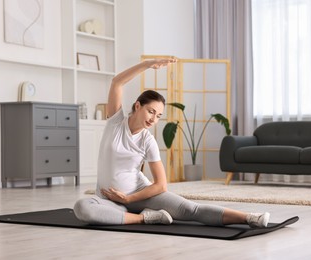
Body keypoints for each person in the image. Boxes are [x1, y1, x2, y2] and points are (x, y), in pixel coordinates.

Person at [74, 59, 270, 227]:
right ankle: (145, 219)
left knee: (190, 209)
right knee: (82, 208)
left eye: (158, 116)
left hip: (139, 195)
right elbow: (117, 82)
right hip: (108, 200)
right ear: (137, 106)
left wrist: (129, 198)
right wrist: (148, 64)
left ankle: (250, 218)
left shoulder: (147, 140)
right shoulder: (115, 123)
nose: (153, 119)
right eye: (151, 111)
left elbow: (161, 185)